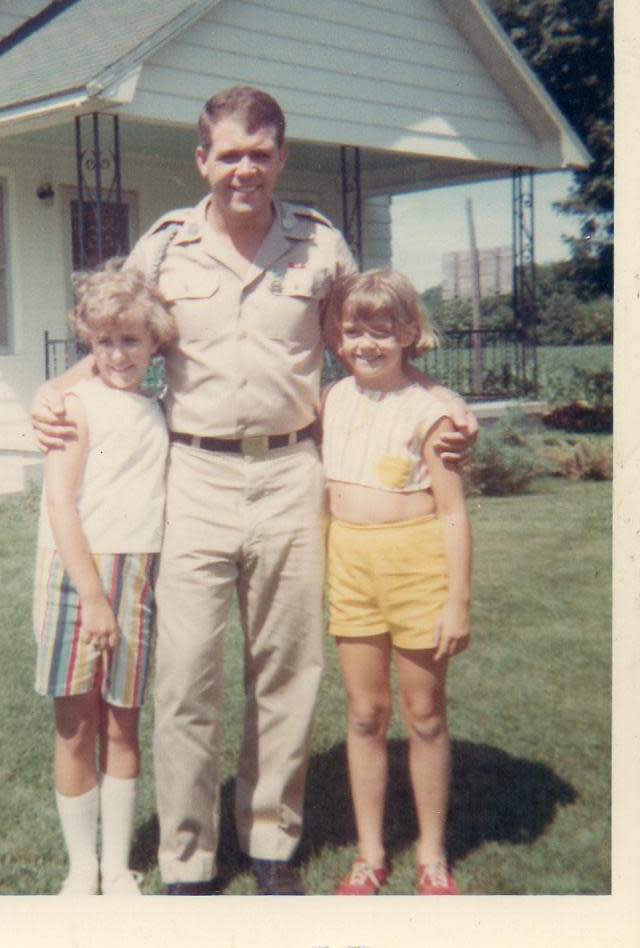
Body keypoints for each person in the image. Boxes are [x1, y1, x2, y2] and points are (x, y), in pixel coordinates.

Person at [32, 86, 477, 895]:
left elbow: (373, 337)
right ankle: (190, 857)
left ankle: (270, 841)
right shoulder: (166, 245)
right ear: (203, 159)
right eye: (229, 154)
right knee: (185, 675)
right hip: (193, 473)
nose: (245, 169)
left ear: (281, 156)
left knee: (285, 670)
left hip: (291, 476)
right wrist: (54, 389)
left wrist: (444, 407)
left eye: (260, 153)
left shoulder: (320, 245)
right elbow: (111, 328)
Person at [320, 271, 471, 896]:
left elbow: (454, 510)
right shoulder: (329, 400)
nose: (366, 345)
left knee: (425, 714)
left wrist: (457, 600)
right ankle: (371, 852)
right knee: (364, 713)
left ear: (409, 333)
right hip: (350, 563)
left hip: (416, 565)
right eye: (354, 331)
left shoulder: (432, 410)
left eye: (382, 332)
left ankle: (432, 854)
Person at [33, 265, 177, 896]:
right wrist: (92, 597)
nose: (118, 355)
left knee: (123, 720)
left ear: (154, 343)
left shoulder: (158, 408)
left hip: (138, 571)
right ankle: (81, 868)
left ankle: (118, 867)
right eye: (104, 342)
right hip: (76, 576)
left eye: (131, 341)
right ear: (89, 344)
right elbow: (62, 506)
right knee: (76, 724)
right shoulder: (74, 407)